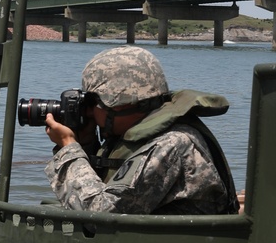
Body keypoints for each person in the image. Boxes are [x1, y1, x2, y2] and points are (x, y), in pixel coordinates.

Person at [44, 47, 238, 215]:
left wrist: (69, 147)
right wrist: (85, 145)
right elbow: (103, 189)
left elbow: (99, 215)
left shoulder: (171, 144)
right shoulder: (148, 135)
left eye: (94, 102)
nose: (89, 111)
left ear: (119, 104)